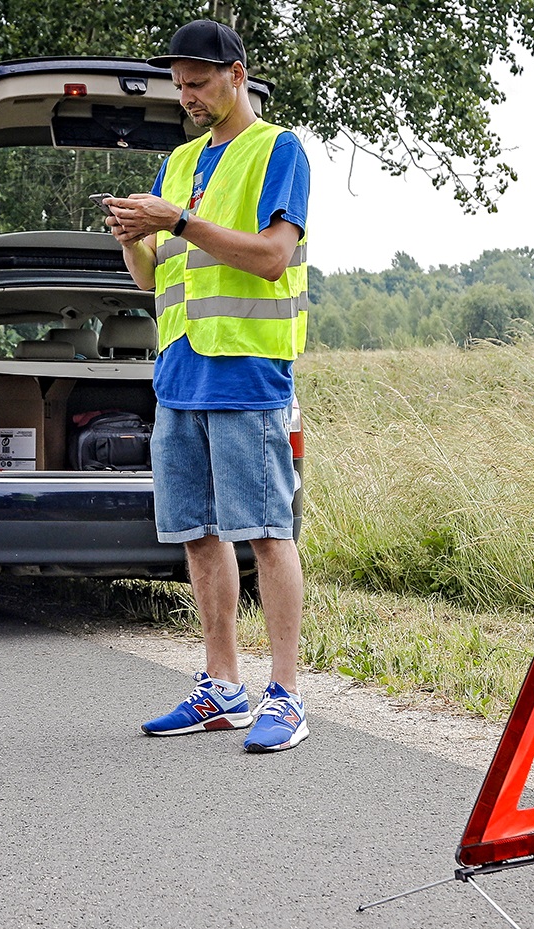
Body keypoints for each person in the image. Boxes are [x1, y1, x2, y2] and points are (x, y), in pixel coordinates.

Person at [105, 19, 310, 753]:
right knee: (196, 535)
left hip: (247, 374)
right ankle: (222, 688)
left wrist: (179, 220)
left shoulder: (276, 149)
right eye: (180, 84)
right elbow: (150, 276)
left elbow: (270, 259)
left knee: (267, 532)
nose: (186, 95)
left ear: (235, 74)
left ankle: (284, 695)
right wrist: (134, 234)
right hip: (179, 375)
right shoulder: (180, 161)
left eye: (197, 82)